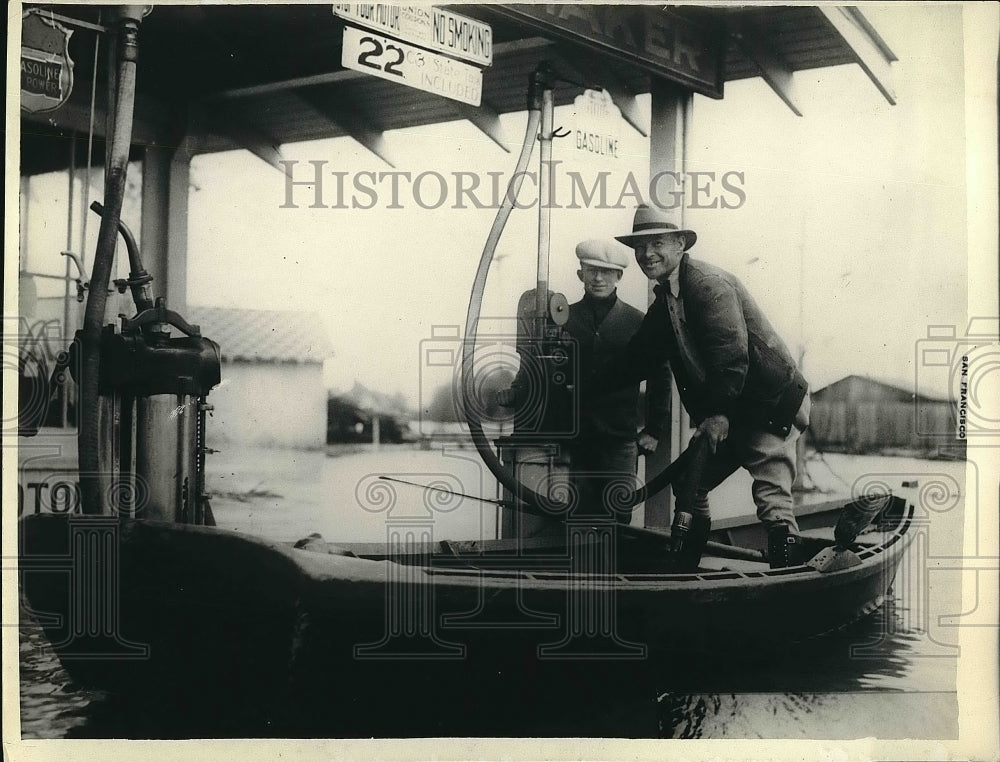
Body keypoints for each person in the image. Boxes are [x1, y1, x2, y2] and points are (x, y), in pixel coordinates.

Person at [602, 205, 811, 568]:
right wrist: (583, 387)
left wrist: (717, 414)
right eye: (639, 247)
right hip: (731, 409)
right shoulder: (666, 298)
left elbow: (730, 355)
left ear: (680, 244)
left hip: (768, 404)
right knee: (688, 483)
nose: (647, 254)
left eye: (657, 243)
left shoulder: (709, 284)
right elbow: (636, 359)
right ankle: (686, 568)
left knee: (771, 493)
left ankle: (791, 578)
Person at [500, 239, 670, 525]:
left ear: (619, 276)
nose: (598, 278)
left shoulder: (639, 321)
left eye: (606, 272)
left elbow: (660, 377)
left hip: (619, 439)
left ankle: (614, 568)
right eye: (591, 271)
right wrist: (518, 391)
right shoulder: (564, 319)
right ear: (581, 275)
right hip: (575, 441)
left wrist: (653, 429)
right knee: (578, 516)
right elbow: (538, 368)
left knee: (618, 516)